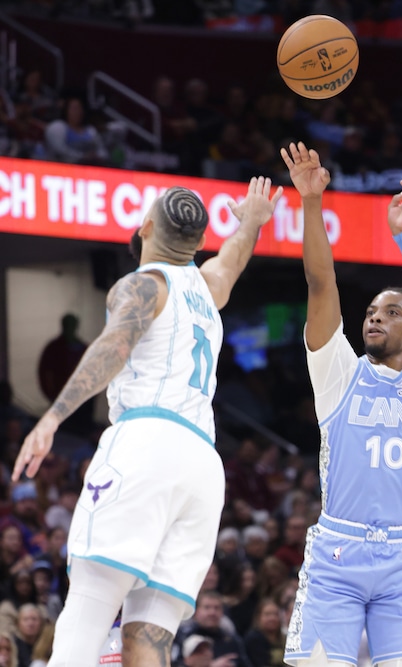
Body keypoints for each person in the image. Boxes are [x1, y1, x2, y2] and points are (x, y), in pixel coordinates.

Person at [12, 176, 283, 667]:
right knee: (149, 634)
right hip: (203, 465)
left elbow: (114, 346)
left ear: (145, 227)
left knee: (88, 609)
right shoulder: (207, 286)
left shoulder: (143, 283)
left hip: (147, 442)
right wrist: (252, 222)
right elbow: (233, 258)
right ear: (199, 244)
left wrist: (51, 417)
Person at [279, 141, 402, 667]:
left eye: (391, 311)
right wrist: (311, 203)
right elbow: (320, 282)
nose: (375, 317)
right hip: (336, 555)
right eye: (371, 311)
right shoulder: (338, 372)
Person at [37, 313, 93, 437]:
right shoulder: (53, 348)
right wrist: (51, 394)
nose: (70, 328)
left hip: (82, 402)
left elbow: (93, 372)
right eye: (67, 325)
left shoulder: (84, 348)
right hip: (61, 399)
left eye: (72, 325)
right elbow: (45, 373)